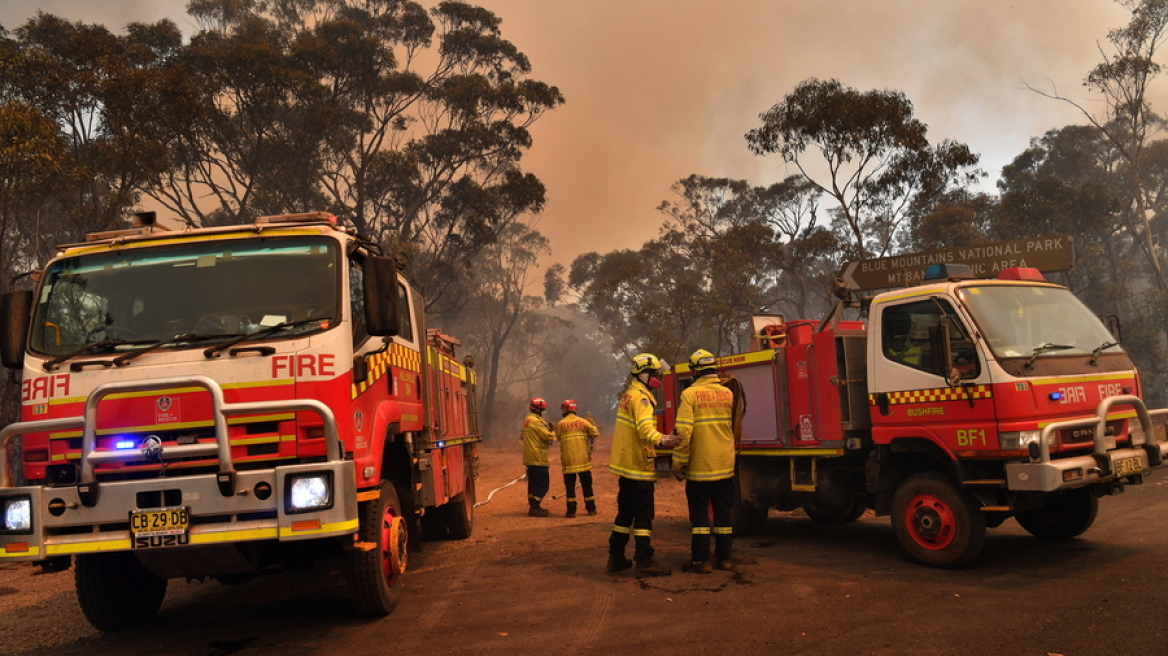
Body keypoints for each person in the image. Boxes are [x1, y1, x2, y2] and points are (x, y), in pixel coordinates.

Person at [608, 353, 678, 577]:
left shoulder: (629, 395)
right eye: (656, 374)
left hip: (626, 466)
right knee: (644, 515)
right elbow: (646, 430)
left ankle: (616, 557)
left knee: (624, 515)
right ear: (645, 374)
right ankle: (645, 561)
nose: (658, 378)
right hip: (639, 466)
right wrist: (666, 439)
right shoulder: (642, 399)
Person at [672, 349, 738, 573]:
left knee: (700, 515)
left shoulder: (690, 394)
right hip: (725, 465)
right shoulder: (727, 393)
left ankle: (701, 561)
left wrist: (678, 463)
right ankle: (725, 559)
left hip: (700, 467)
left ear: (694, 371)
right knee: (723, 513)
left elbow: (683, 433)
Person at [555, 399, 600, 517]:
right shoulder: (583, 422)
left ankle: (571, 511)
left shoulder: (560, 424)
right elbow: (595, 432)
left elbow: (558, 437)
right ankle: (591, 509)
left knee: (570, 487)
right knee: (587, 485)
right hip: (583, 460)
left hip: (568, 461)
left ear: (565, 410)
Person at [520, 397, 556, 517]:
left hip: (530, 457)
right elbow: (549, 437)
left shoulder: (526, 420)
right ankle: (535, 507)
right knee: (543, 484)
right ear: (539, 410)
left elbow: (522, 437)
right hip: (539, 457)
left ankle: (533, 506)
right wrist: (553, 430)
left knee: (533, 483)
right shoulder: (537, 421)